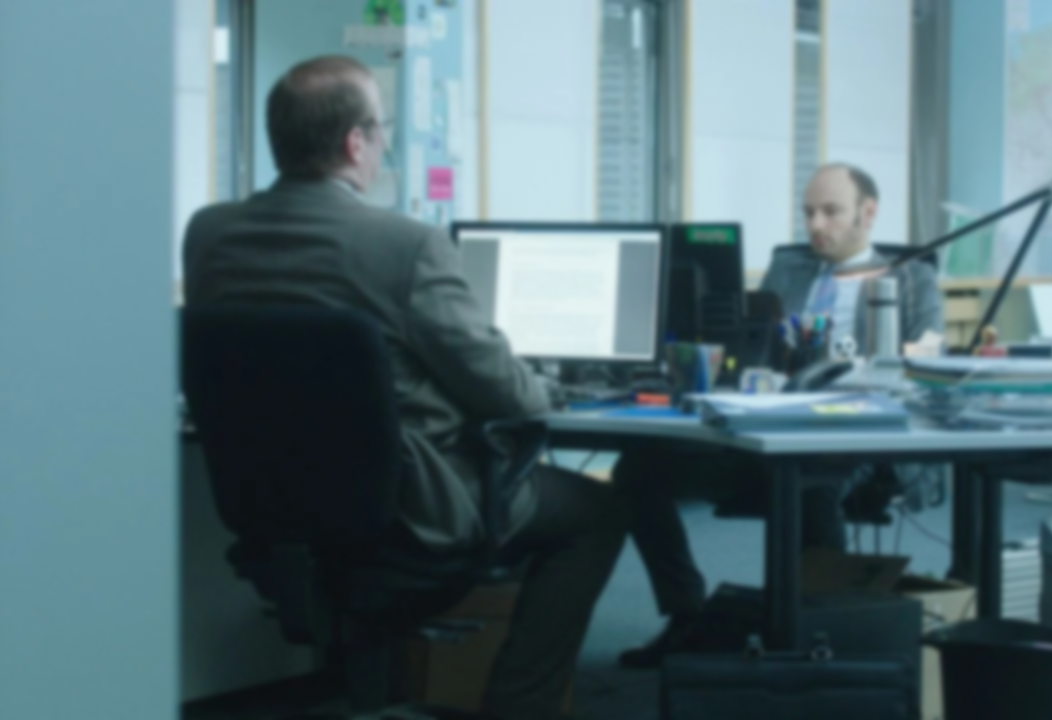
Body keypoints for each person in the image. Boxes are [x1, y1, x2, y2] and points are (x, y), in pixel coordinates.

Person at [183, 56, 625, 720]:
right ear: (355, 143)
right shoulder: (402, 243)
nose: (382, 143)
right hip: (410, 517)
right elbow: (515, 399)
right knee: (600, 511)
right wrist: (542, 383)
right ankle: (517, 708)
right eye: (380, 130)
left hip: (269, 506)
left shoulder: (209, 232)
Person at [612, 163, 943, 668]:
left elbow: (924, 366)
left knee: (812, 484)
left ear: (868, 213)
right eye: (809, 212)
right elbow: (758, 348)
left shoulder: (913, 278)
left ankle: (818, 637)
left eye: (831, 211)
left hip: (852, 443)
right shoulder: (788, 270)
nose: (816, 225)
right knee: (637, 472)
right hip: (766, 429)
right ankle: (686, 616)